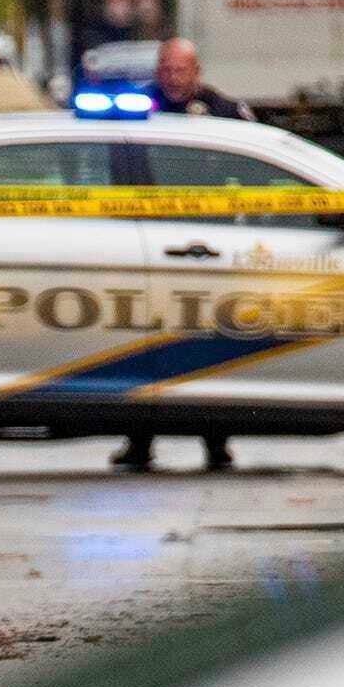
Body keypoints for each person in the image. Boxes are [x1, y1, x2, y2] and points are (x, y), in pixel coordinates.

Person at [119, 41, 254, 477]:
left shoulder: (222, 110)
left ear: (197, 70)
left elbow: (256, 160)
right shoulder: (138, 104)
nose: (173, 78)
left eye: (181, 70)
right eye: (166, 69)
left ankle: (216, 442)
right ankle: (139, 443)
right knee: (145, 343)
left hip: (206, 245)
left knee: (205, 344)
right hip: (149, 243)